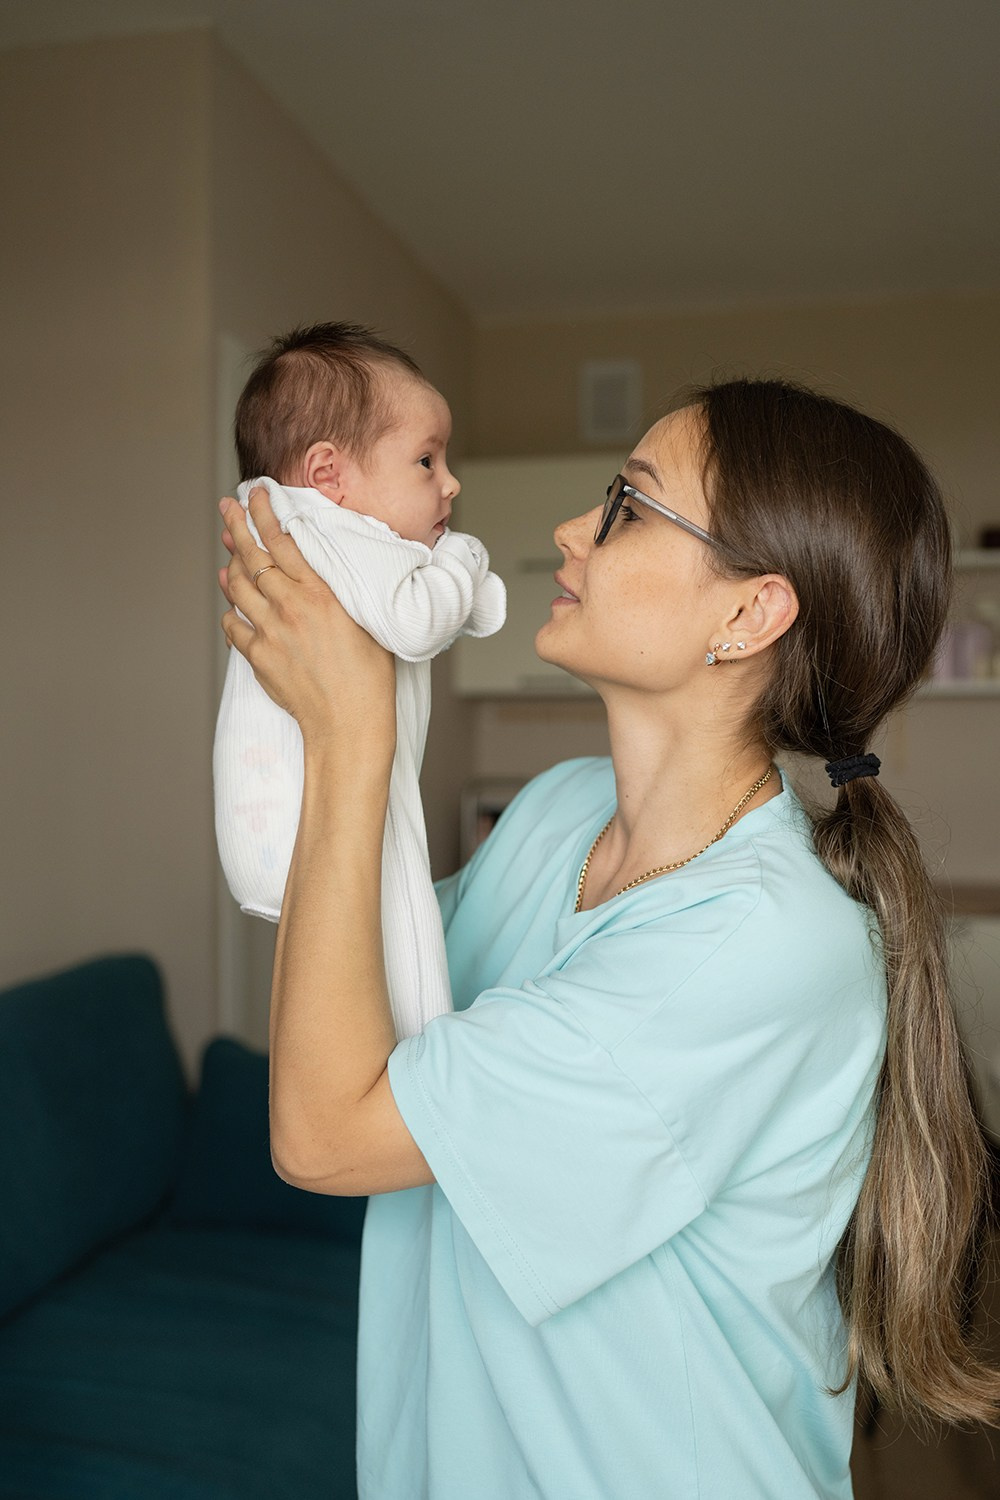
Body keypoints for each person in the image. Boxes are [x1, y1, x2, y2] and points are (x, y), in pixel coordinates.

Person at [218, 376, 999, 1499]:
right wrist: (317, 654)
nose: (571, 531)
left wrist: (354, 737)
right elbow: (350, 975)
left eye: (629, 507)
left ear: (750, 615)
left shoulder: (757, 948)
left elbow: (326, 1134)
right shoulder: (557, 811)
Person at [213, 323, 505, 1039]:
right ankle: (423, 1066)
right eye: (427, 460)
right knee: (411, 963)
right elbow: (416, 621)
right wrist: (464, 558)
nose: (450, 482)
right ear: (327, 475)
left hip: (277, 821)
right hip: (334, 804)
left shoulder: (288, 526)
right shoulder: (338, 531)